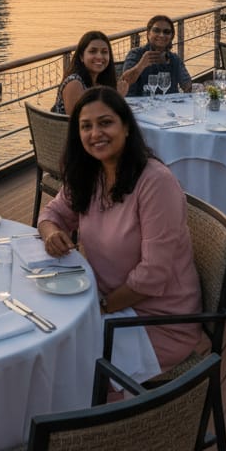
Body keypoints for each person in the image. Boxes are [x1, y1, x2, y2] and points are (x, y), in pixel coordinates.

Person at [37, 87, 202, 374]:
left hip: (154, 321)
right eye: (86, 126)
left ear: (126, 127)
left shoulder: (155, 183)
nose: (95, 133)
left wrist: (99, 307)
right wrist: (52, 233)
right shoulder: (91, 173)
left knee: (57, 358)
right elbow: (52, 214)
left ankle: (95, 415)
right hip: (106, 302)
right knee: (44, 337)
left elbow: (153, 275)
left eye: (105, 123)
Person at [51, 30, 125, 115]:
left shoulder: (99, 83)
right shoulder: (74, 83)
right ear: (81, 56)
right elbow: (78, 121)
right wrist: (117, 97)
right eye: (93, 51)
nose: (99, 56)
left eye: (104, 52)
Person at [120, 15, 192, 96]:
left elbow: (187, 85)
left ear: (171, 36)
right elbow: (125, 81)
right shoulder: (136, 54)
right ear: (148, 34)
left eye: (166, 32)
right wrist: (141, 65)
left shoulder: (174, 59)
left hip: (169, 106)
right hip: (139, 105)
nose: (161, 35)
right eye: (156, 30)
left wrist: (192, 88)